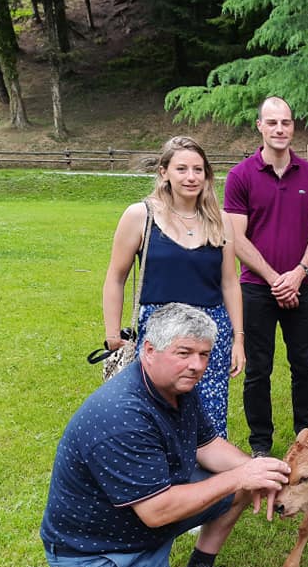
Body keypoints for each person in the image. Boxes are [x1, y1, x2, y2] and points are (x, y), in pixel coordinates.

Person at [24, 303, 292, 567]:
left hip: (138, 525)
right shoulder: (121, 415)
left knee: (240, 482)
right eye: (184, 353)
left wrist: (259, 472)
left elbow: (208, 446)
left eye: (204, 354)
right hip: (100, 552)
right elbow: (156, 511)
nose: (197, 365)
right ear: (149, 351)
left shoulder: (177, 388)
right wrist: (239, 476)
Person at [102, 136, 244, 437]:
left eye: (198, 169)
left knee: (209, 415)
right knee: (155, 411)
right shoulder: (141, 216)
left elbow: (230, 282)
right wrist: (113, 335)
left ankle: (209, 480)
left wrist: (238, 339)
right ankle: (157, 475)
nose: (191, 177)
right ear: (164, 172)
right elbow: (116, 277)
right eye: (181, 169)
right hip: (160, 333)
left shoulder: (221, 221)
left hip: (210, 335)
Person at [224, 96, 308, 457]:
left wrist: (298, 274)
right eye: (272, 123)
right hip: (256, 289)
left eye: (285, 122)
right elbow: (236, 238)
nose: (280, 129)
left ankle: (307, 436)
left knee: (304, 366)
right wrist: (274, 279)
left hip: (302, 287)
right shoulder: (240, 176)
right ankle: (260, 445)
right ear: (260, 126)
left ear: (293, 126)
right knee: (258, 370)